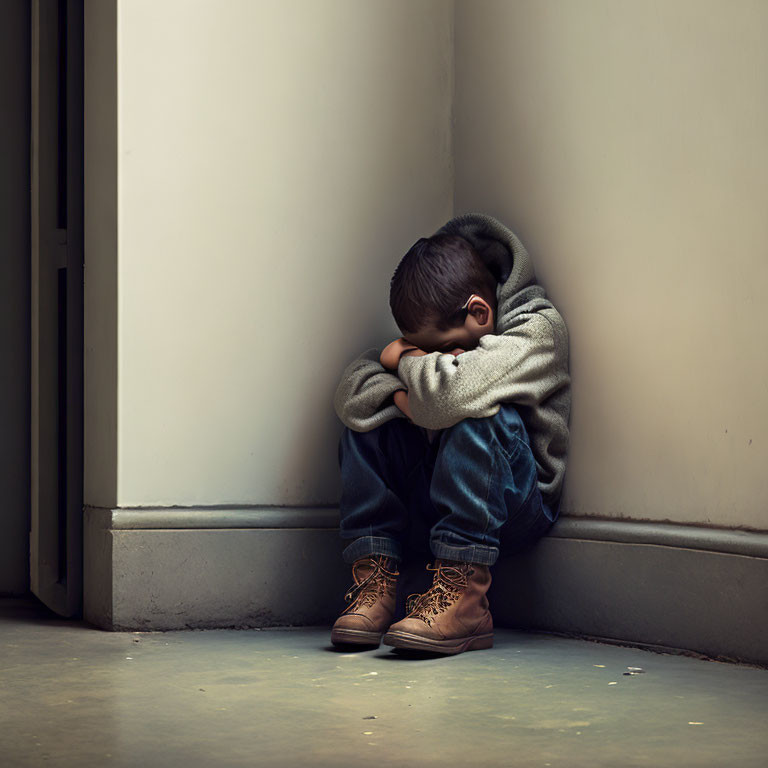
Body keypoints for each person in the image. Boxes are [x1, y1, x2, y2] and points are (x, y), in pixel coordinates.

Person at [330, 212, 571, 655]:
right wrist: (409, 401)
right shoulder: (445, 306)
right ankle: (375, 582)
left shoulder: (538, 331)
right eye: (415, 347)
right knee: (366, 423)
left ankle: (464, 600)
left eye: (437, 351)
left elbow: (448, 397)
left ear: (480, 312)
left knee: (476, 412)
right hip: (439, 497)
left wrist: (402, 358)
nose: (430, 361)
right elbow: (351, 390)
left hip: (513, 504)